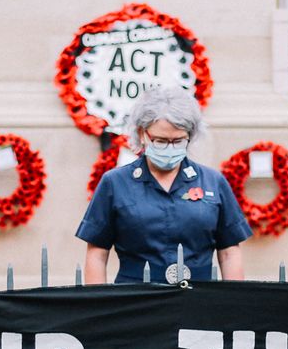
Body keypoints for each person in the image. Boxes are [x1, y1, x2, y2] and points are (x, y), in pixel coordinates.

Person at [78, 87, 251, 284]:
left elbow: (229, 252)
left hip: (199, 297)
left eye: (178, 141)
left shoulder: (213, 182)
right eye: (160, 141)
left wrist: (235, 304)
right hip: (135, 297)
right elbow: (97, 253)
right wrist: (99, 306)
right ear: (142, 134)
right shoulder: (115, 183)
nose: (170, 147)